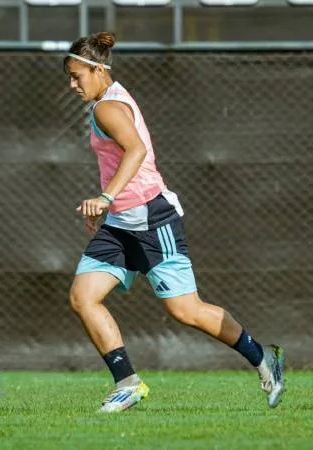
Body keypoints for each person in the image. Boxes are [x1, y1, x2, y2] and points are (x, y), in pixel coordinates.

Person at [64, 32, 285, 413]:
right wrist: (107, 208)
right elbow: (123, 159)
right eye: (69, 76)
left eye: (76, 75)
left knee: (186, 310)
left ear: (99, 70)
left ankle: (262, 356)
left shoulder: (106, 108)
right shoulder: (107, 99)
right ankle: (128, 383)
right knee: (83, 297)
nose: (72, 84)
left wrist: (104, 198)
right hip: (120, 224)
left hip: (152, 219)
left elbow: (136, 151)